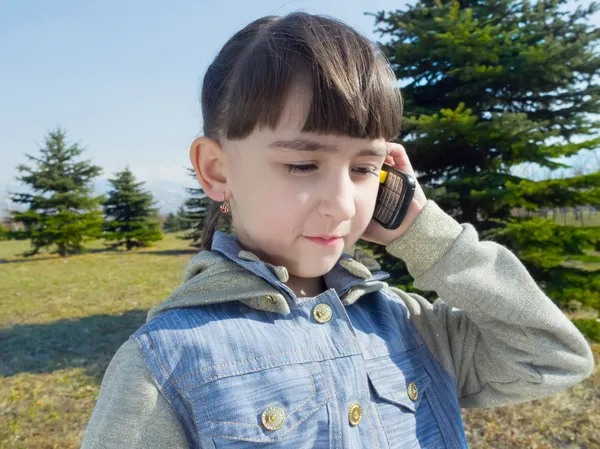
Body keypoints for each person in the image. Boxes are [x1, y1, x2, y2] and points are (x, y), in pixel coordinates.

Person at [81, 12, 595, 449]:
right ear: (216, 169)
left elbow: (553, 357)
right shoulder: (164, 365)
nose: (343, 205)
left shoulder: (411, 326)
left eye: (364, 168)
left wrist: (424, 233)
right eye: (303, 165)